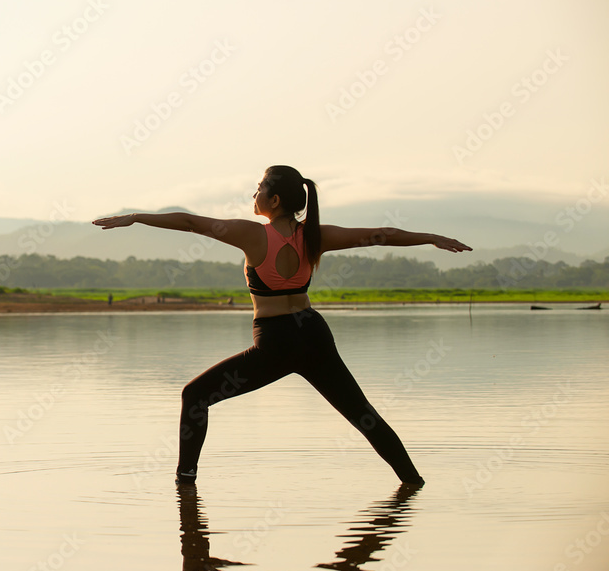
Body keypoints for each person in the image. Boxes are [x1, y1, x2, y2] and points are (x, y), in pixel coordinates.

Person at [92, 165, 472, 486]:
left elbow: (193, 223)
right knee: (363, 414)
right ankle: (414, 483)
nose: (253, 194)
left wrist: (138, 216)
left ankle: (185, 488)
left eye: (259, 189)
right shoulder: (316, 236)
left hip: (275, 343)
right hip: (313, 334)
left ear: (274, 201)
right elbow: (381, 236)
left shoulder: (253, 234)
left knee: (195, 396)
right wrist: (431, 238)